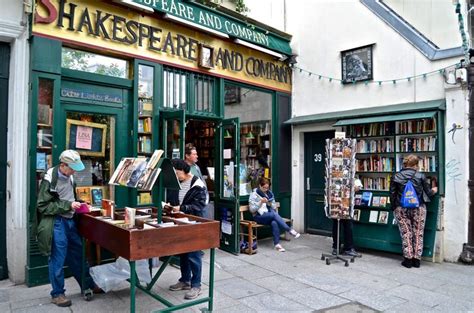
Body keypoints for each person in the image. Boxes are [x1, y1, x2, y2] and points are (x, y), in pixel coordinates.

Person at [36, 150, 101, 307]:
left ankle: (88, 285)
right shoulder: (49, 178)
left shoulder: (70, 176)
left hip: (70, 220)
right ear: (63, 165)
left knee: (78, 254)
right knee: (57, 258)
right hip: (57, 222)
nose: (74, 171)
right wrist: (68, 205)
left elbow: (68, 197)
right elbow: (43, 205)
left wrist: (80, 204)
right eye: (71, 168)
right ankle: (57, 294)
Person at [167, 159, 207, 300]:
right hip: (181, 222)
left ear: (184, 171)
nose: (176, 176)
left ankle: (196, 285)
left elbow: (199, 206)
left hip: (194, 223)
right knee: (183, 252)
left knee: (194, 254)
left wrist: (182, 208)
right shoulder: (176, 183)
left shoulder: (197, 185)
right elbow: (173, 200)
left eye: (177, 173)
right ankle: (185, 279)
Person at [390, 154, 437, 268]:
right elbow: (428, 193)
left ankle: (408, 259)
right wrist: (434, 190)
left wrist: (394, 208)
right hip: (418, 208)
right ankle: (417, 260)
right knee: (418, 233)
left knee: (406, 233)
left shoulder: (396, 176)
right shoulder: (420, 176)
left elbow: (392, 194)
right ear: (416, 165)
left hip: (401, 208)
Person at [249, 178, 300, 252]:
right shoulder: (254, 194)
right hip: (258, 217)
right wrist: (260, 202)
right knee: (273, 214)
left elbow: (273, 207)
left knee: (274, 222)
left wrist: (269, 203)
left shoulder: (270, 194)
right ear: (260, 185)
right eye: (264, 188)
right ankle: (289, 230)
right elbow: (251, 210)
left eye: (267, 188)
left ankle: (277, 244)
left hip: (268, 215)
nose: (266, 189)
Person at [332, 178, 362, 257]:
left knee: (338, 226)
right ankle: (347, 248)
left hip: (338, 203)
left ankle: (336, 248)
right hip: (342, 204)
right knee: (346, 226)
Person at [184, 143, 210, 218]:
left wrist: (206, 196)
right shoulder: (184, 168)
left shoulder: (196, 167)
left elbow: (202, 181)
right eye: (194, 154)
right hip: (191, 202)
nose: (197, 156)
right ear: (187, 156)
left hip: (201, 200)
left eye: (196, 154)